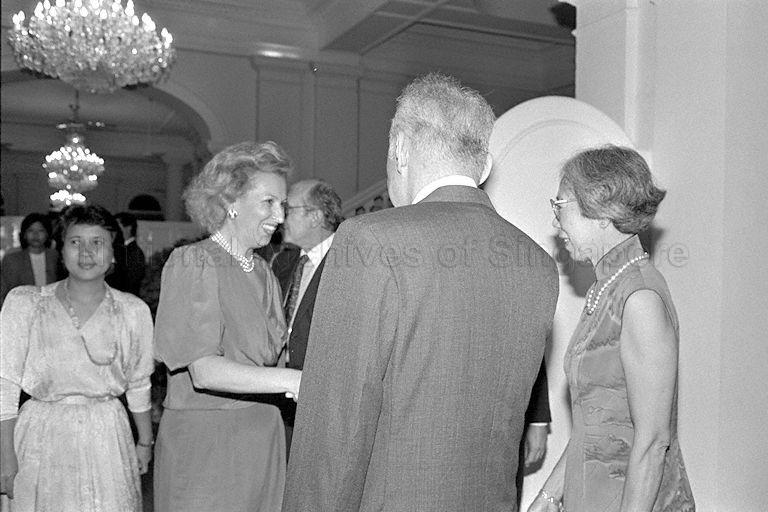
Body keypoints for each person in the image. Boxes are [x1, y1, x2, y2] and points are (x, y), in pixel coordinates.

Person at [283, 73, 559, 512]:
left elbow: (336, 426)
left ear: (400, 152)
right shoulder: (538, 264)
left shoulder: (370, 240)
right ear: (484, 166)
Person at [529, 145, 695, 512]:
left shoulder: (639, 298)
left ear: (601, 210)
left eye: (560, 206)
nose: (556, 222)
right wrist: (549, 495)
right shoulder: (608, 287)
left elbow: (653, 442)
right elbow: (595, 426)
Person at [152, 141, 302, 512]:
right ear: (231, 201)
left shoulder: (264, 272)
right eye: (269, 202)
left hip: (263, 438)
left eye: (283, 205)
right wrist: (296, 381)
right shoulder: (193, 262)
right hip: (208, 447)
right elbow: (202, 371)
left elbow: (274, 361)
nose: (280, 217)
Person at [0, 205, 154, 511]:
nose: (86, 252)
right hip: (41, 437)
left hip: (107, 437)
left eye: (97, 242)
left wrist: (145, 442)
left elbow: (139, 383)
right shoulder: (26, 304)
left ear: (113, 253)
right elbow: (5, 385)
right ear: (61, 250)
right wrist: (6, 455)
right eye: (75, 242)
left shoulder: (133, 311)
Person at [279, 178, 343, 452]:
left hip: (325, 405)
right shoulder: (284, 262)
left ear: (315, 216)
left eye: (288, 209)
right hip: (284, 397)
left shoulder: (349, 262)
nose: (280, 218)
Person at [0, 213, 65, 305]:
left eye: (41, 231)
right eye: (30, 230)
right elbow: (4, 291)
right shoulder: (12, 259)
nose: (36, 235)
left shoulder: (54, 256)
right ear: (24, 234)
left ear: (47, 234)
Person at [113, 212, 147, 296]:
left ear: (128, 228)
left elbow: (131, 283)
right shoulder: (116, 249)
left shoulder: (135, 252)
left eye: (117, 226)